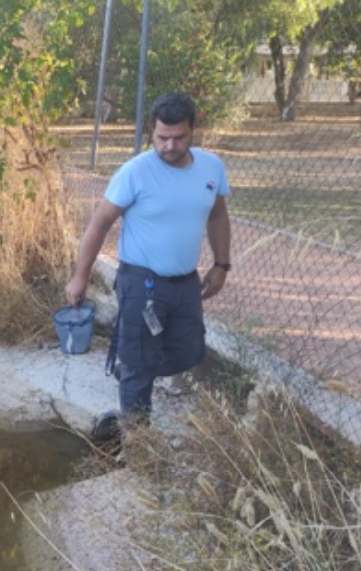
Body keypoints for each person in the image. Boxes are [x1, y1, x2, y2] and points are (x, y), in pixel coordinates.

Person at [65, 92, 232, 430]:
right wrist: (79, 277)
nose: (169, 146)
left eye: (179, 137)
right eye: (162, 138)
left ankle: (131, 367)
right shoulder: (135, 173)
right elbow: (99, 224)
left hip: (186, 282)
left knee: (189, 351)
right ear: (151, 133)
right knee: (140, 363)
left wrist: (221, 264)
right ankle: (137, 437)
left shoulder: (211, 167)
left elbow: (217, 216)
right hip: (142, 283)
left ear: (193, 131)